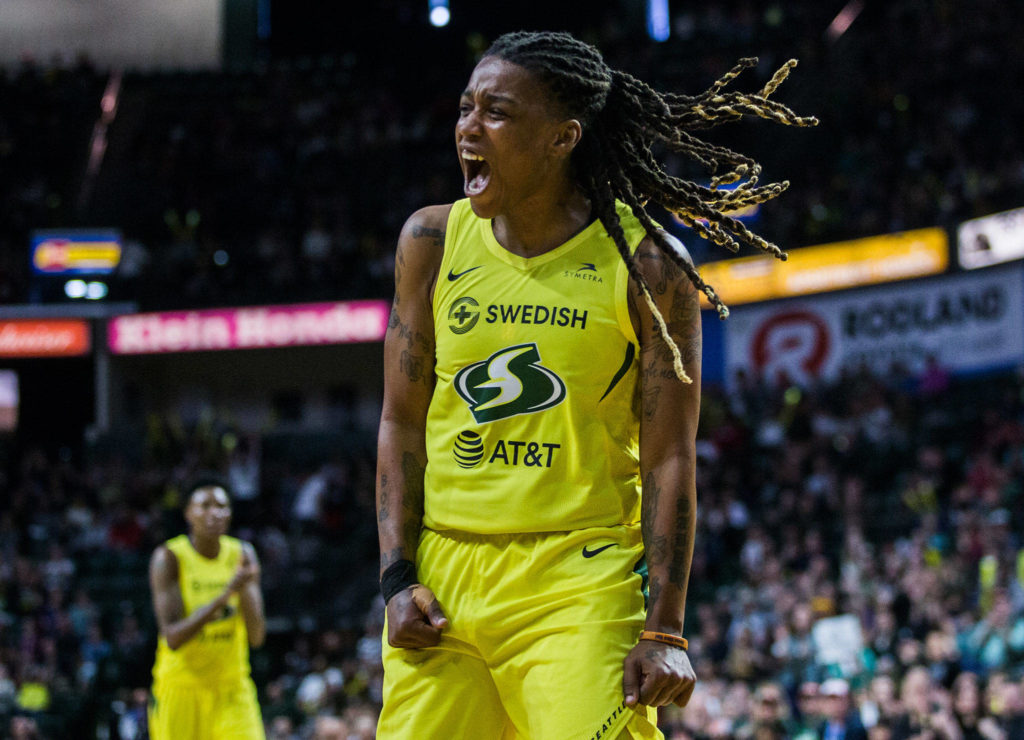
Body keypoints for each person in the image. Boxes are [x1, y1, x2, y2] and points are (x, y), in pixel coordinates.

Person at [375, 30, 815, 739]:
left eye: (496, 111)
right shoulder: (430, 242)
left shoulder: (648, 265)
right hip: (442, 580)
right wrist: (397, 578)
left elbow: (671, 455)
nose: (468, 127)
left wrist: (666, 629)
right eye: (465, 107)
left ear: (562, 137)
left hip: (576, 579)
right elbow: (399, 422)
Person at [148, 475, 267, 739]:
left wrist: (245, 590)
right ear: (188, 513)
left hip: (232, 688)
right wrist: (224, 597)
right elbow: (173, 637)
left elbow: (257, 637)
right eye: (205, 506)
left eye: (221, 506)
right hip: (182, 688)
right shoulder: (168, 558)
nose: (215, 513)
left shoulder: (242, 554)